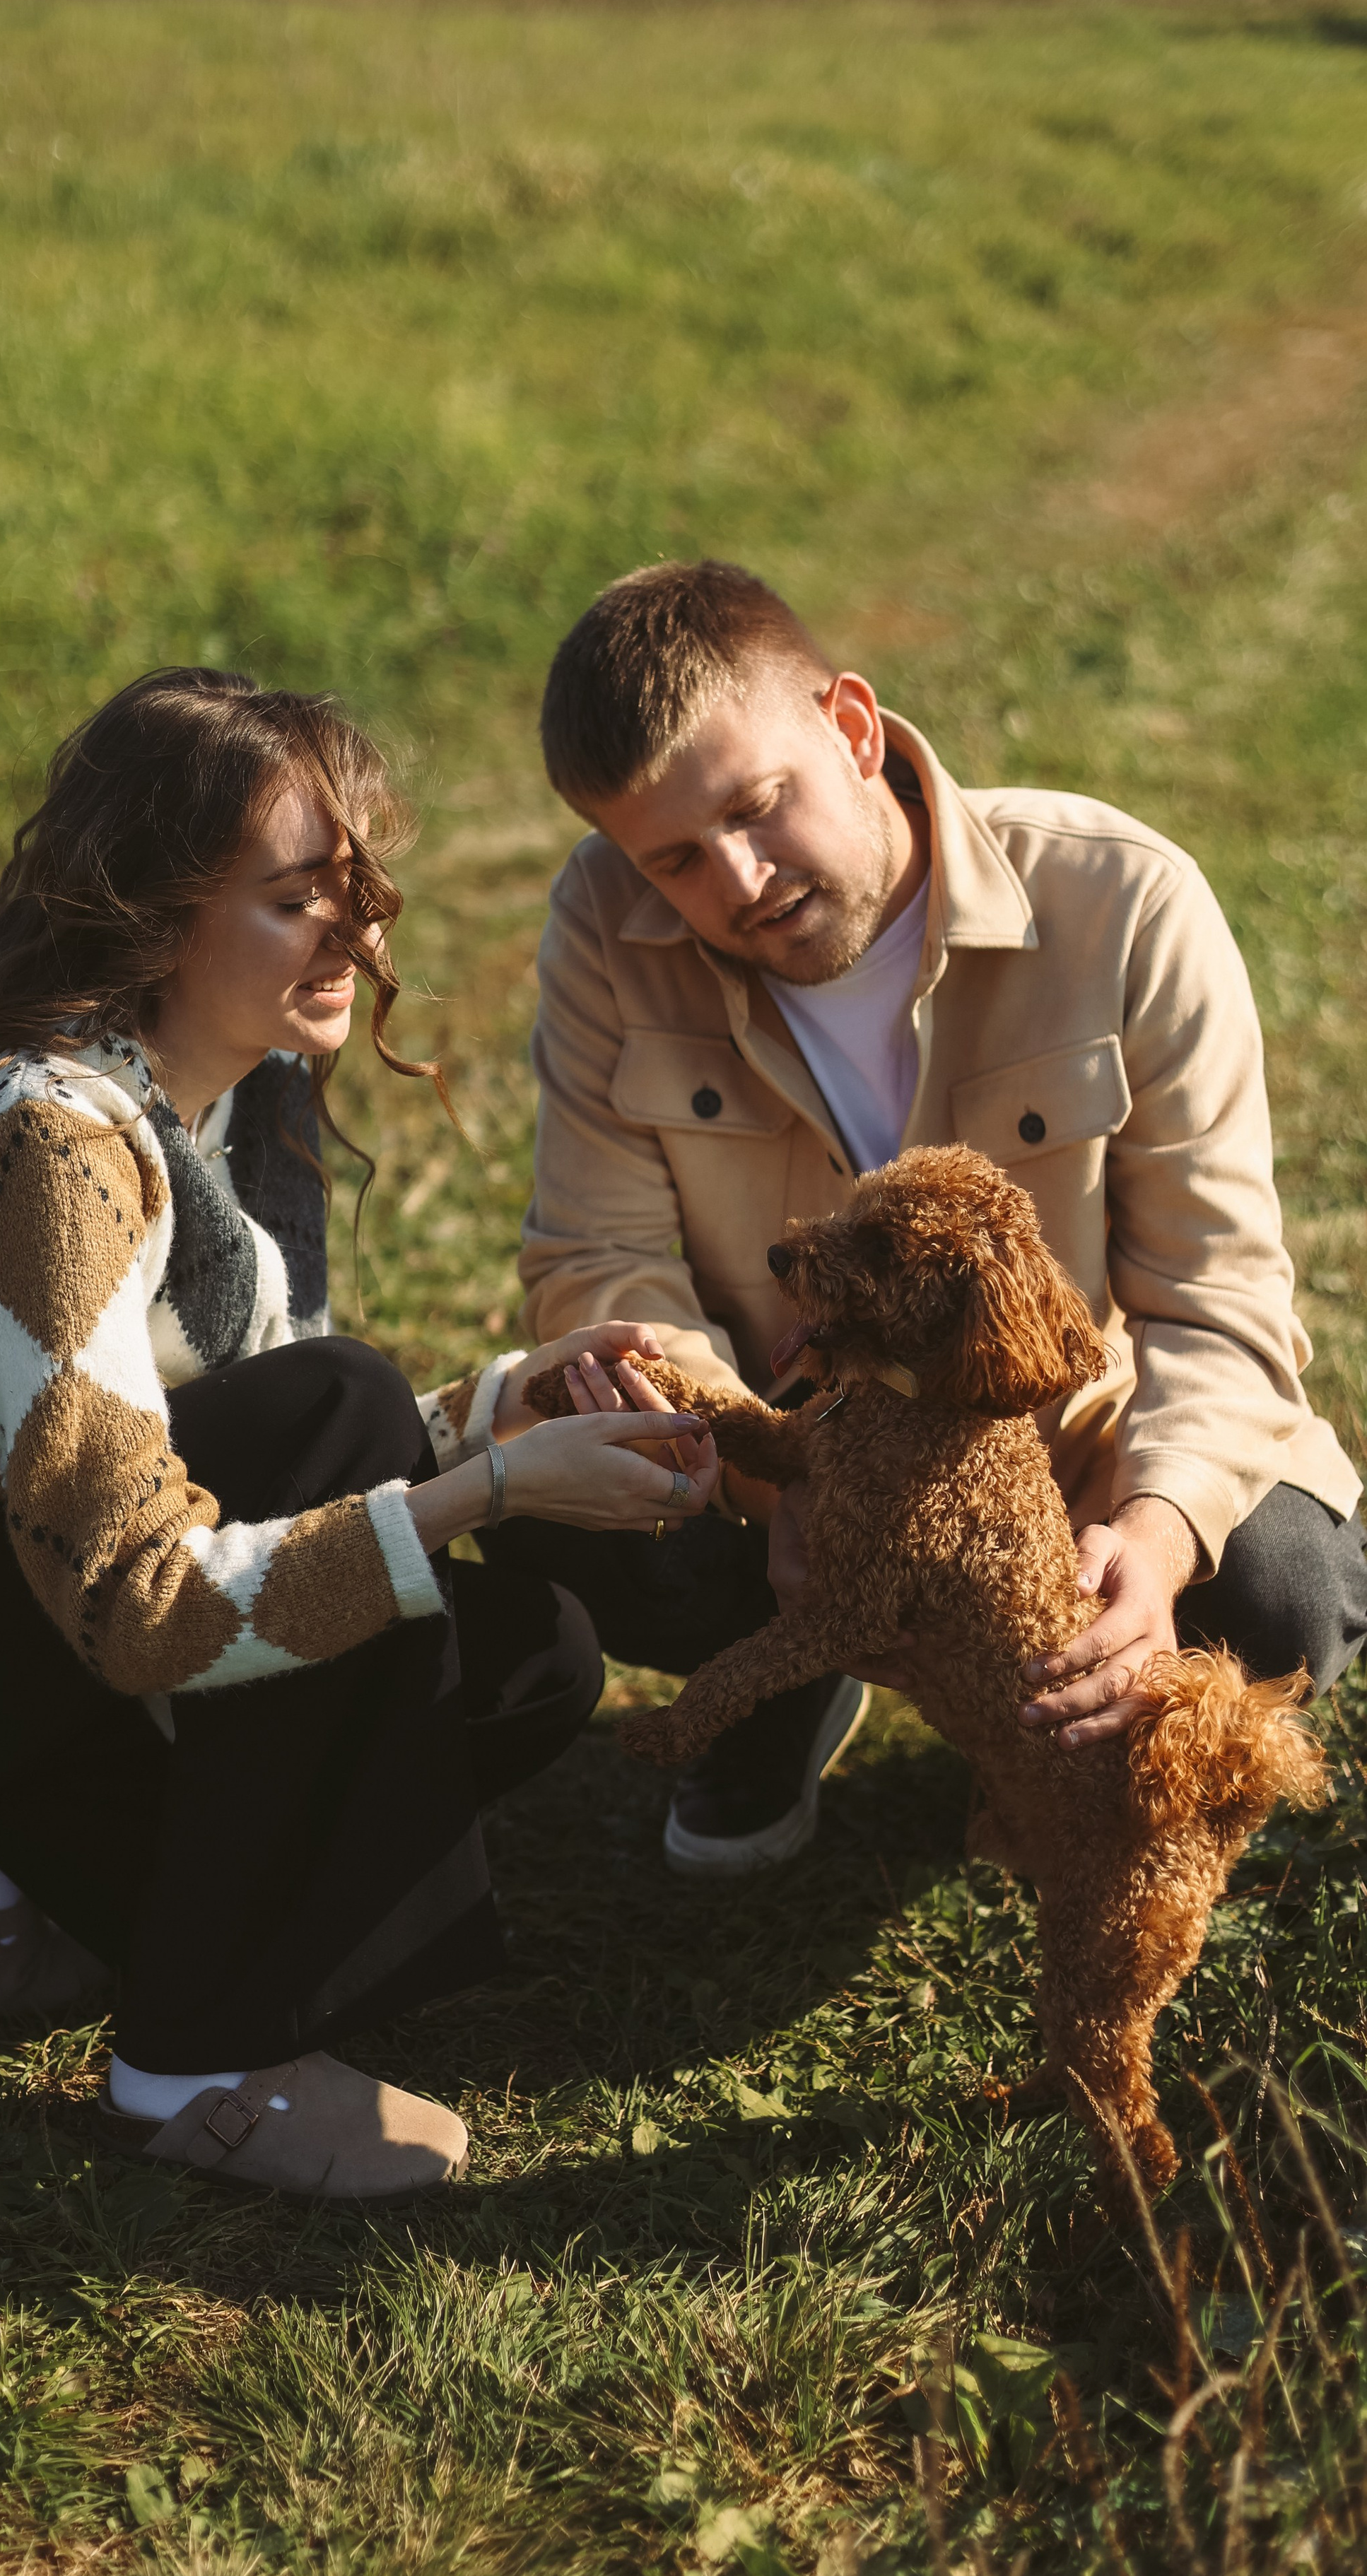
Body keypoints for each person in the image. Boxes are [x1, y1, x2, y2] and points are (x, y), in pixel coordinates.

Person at [0, 667, 719, 2201]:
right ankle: (196, 2062)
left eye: (364, 891)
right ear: (154, 917)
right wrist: (483, 1486)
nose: (359, 940)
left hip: (8, 1573)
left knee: (525, 1655)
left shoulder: (207, 1105)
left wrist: (511, 1401)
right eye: (301, 898)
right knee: (349, 1421)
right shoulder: (45, 1146)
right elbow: (148, 1599)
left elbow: (220, 1453)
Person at [491, 560, 1366, 1877]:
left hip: (1073, 1460)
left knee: (1277, 1584)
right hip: (784, 1457)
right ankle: (782, 1692)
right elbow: (596, 1260)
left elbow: (1216, 1292)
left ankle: (1086, 1743)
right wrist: (764, 1472)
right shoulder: (604, 926)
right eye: (674, 858)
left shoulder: (1126, 901)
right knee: (562, 1464)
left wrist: (1156, 1531)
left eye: (759, 806)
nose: (738, 880)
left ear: (851, 726)